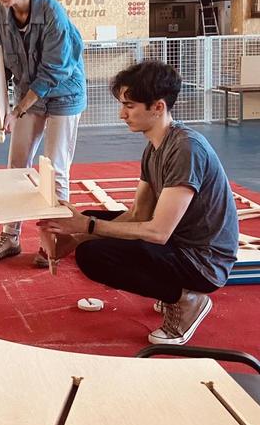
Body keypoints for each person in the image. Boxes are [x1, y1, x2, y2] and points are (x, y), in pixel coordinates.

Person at [38, 60, 239, 346]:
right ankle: (172, 289)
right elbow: (138, 214)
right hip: (181, 242)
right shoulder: (154, 148)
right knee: (93, 219)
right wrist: (75, 237)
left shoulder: (186, 149)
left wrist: (87, 228)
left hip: (203, 263)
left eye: (129, 106)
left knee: (94, 255)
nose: (122, 114)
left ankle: (186, 299)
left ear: (158, 107)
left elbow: (158, 232)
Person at [0, 0, 87, 266]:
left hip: (64, 93)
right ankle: (10, 236)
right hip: (28, 94)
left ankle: (53, 241)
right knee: (16, 166)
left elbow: (54, 70)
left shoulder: (52, 12)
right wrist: (3, 110)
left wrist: (17, 110)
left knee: (55, 169)